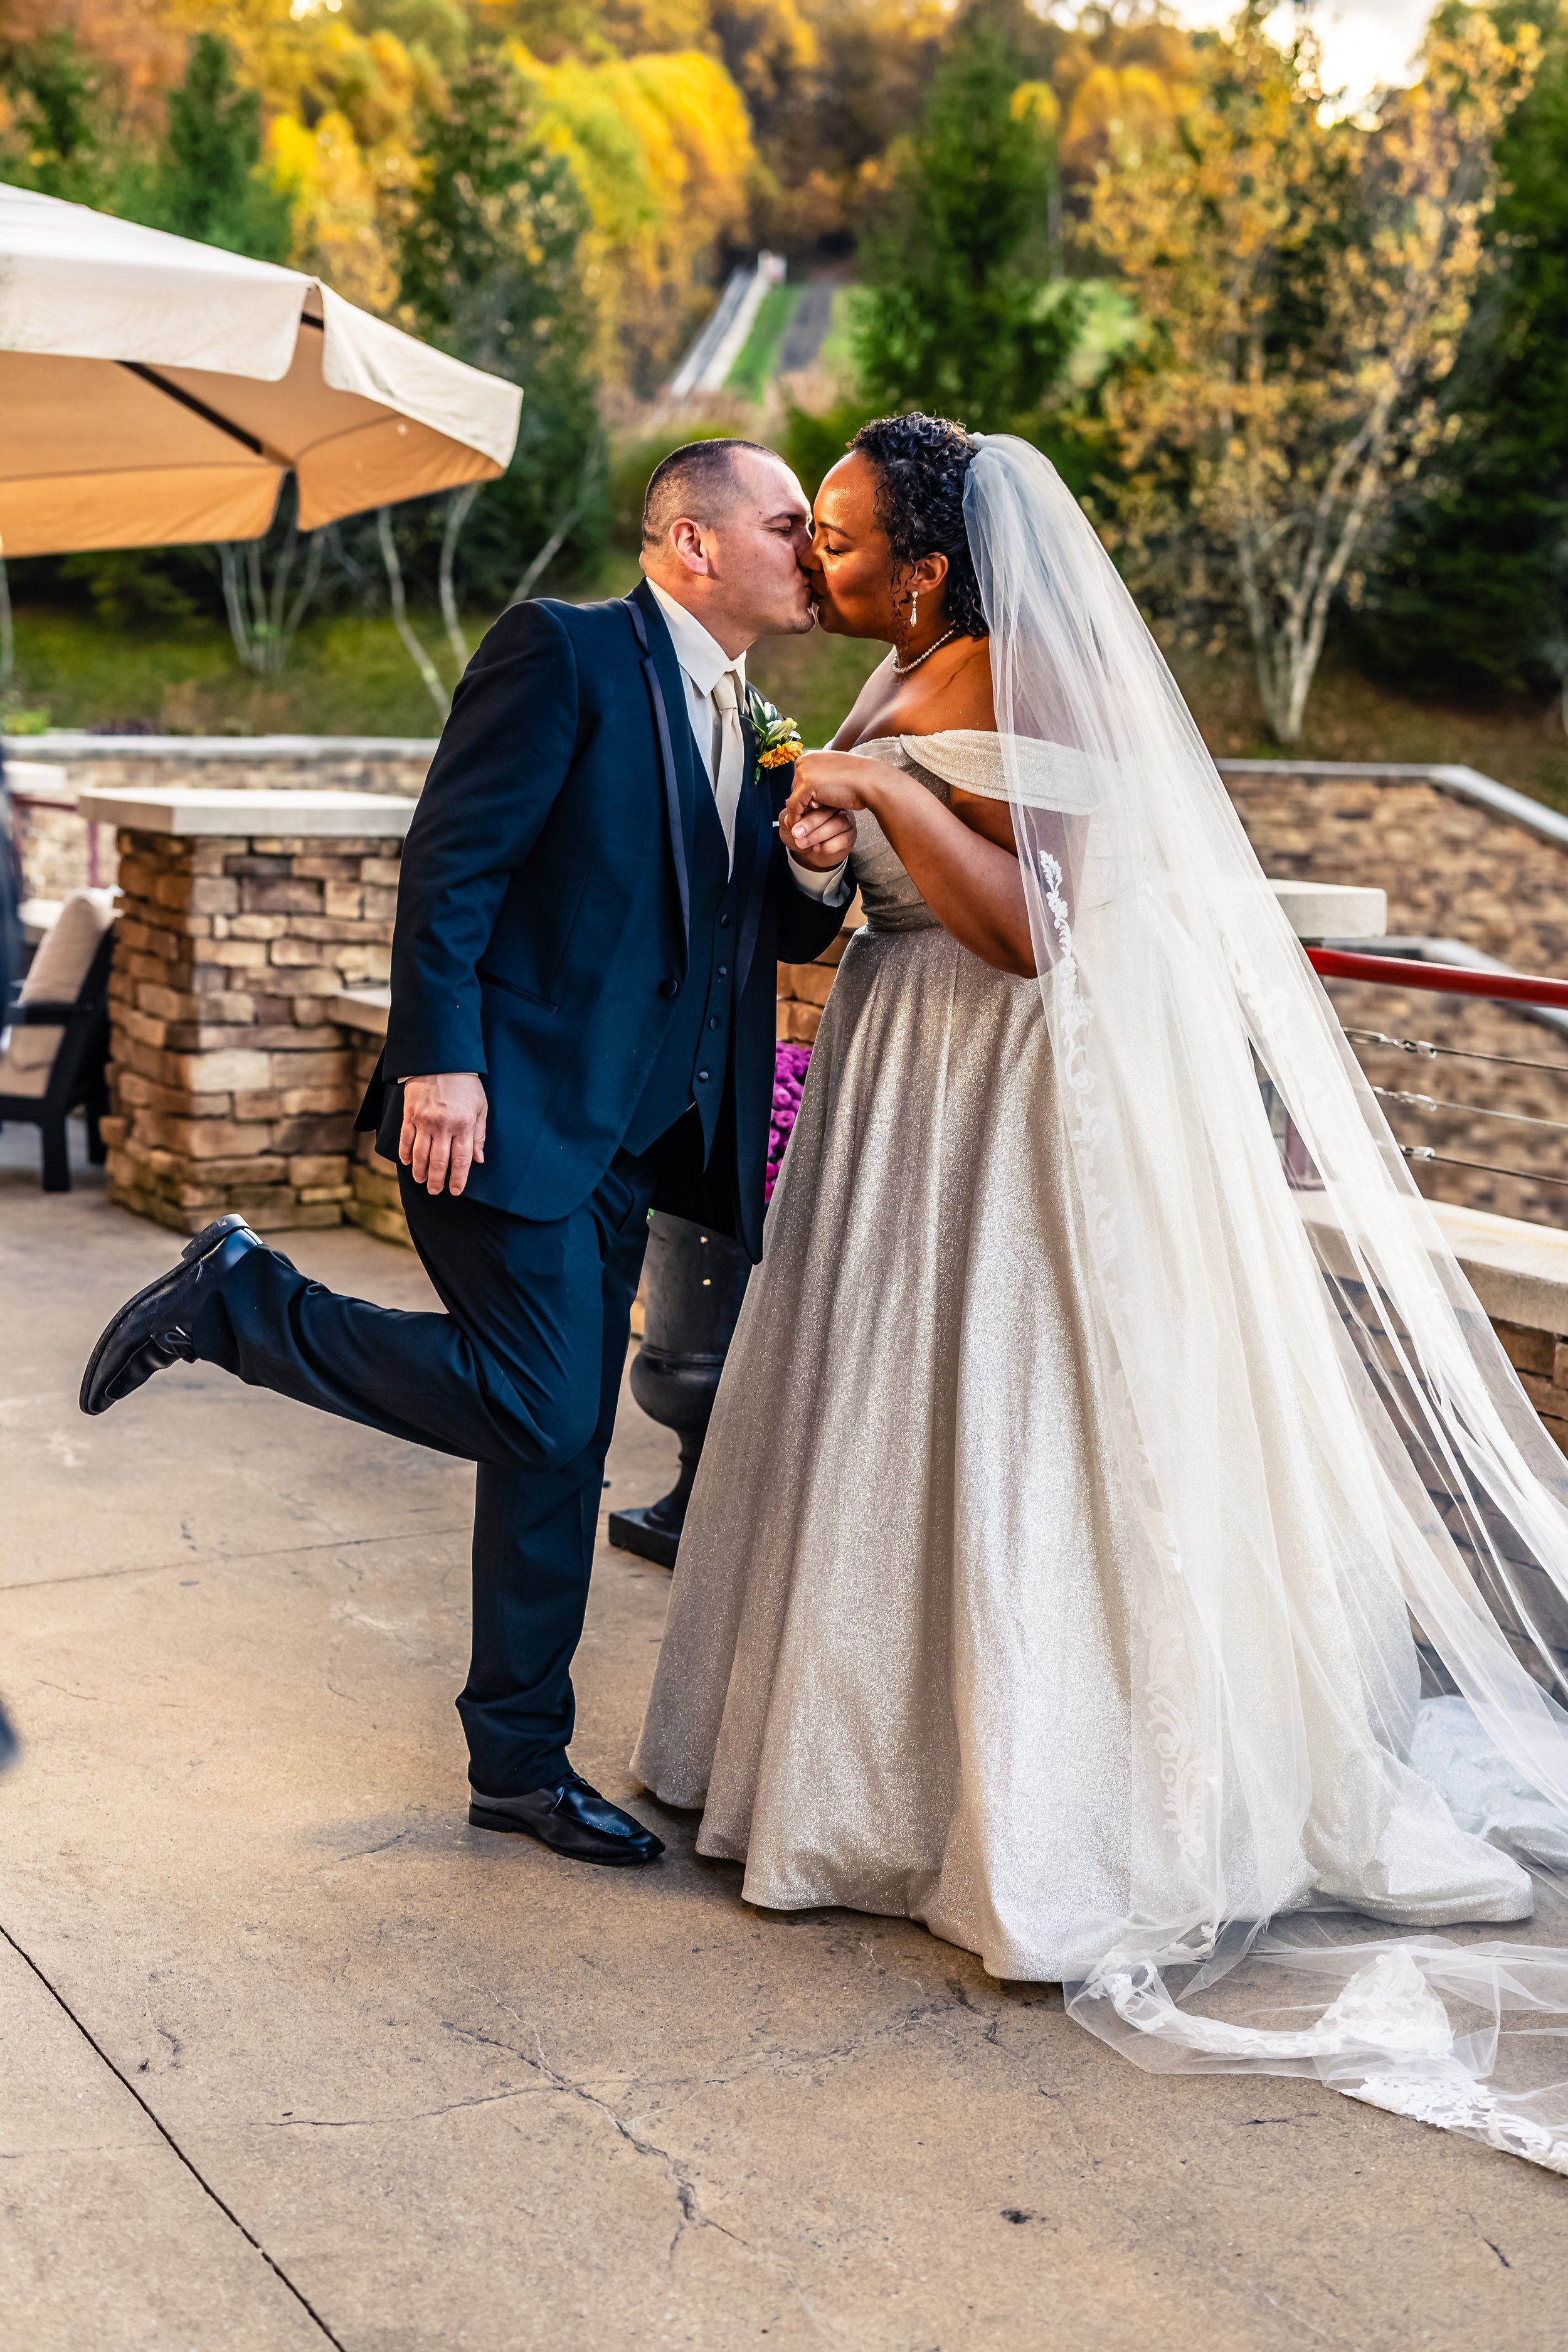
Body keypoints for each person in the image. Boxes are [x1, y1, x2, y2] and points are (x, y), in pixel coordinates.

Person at [635, 415, 1568, 2171]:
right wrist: (839, 853)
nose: (816, 558)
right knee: (884, 1418)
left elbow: (1028, 921)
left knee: (1006, 1420)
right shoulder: (909, 667)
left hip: (997, 1099)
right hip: (902, 1080)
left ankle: (1023, 1819)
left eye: (838, 535)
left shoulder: (1022, 673)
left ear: (925, 560)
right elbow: (899, 893)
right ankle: (849, 1772)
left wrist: (886, 797)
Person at [78, 439, 854, 1866]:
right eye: (788, 524)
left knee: (550, 1452)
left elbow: (778, 932)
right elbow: (453, 861)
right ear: (691, 544)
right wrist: (438, 1058)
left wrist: (808, 856)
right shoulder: (559, 654)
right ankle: (240, 1305)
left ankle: (518, 1767)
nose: (811, 551)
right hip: (510, 1109)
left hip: (639, 1144)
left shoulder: (749, 714)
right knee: (549, 1417)